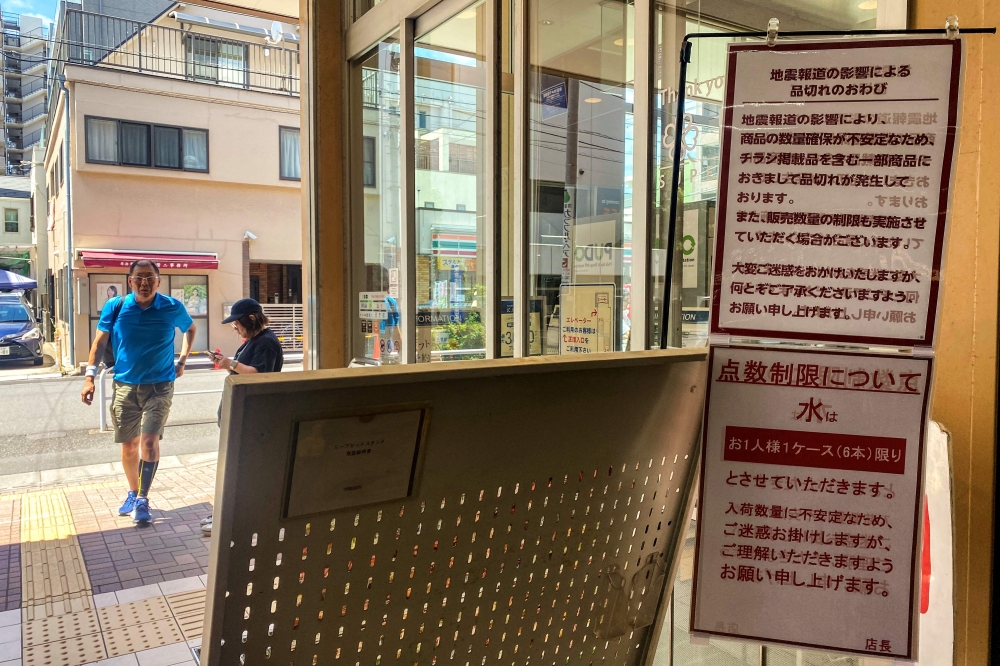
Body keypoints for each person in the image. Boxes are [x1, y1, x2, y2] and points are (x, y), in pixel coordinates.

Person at [81, 260, 196, 525]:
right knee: (129, 444)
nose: (145, 283)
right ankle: (132, 492)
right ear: (130, 281)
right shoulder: (116, 306)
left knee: (149, 441)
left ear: (159, 281)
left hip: (160, 386)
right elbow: (99, 342)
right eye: (139, 278)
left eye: (150, 278)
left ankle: (143, 498)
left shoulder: (171, 307)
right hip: (125, 385)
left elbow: (190, 329)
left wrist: (182, 360)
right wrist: (89, 377)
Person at [201, 298, 283, 535]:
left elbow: (258, 374)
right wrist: (227, 363)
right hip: (243, 411)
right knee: (238, 467)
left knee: (242, 469)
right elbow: (243, 369)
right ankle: (228, 515)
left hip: (252, 415)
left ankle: (233, 519)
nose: (235, 328)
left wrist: (231, 363)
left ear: (251, 318)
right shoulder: (255, 341)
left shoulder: (266, 342)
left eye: (237, 323)